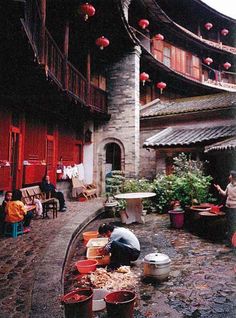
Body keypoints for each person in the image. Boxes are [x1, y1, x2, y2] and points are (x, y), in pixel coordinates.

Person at [214, 170, 236, 246]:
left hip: (234, 208)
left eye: (230, 175)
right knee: (229, 224)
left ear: (233, 177)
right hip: (228, 207)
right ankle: (229, 241)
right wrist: (219, 188)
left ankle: (231, 242)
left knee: (232, 224)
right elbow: (224, 194)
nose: (229, 176)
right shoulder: (229, 185)